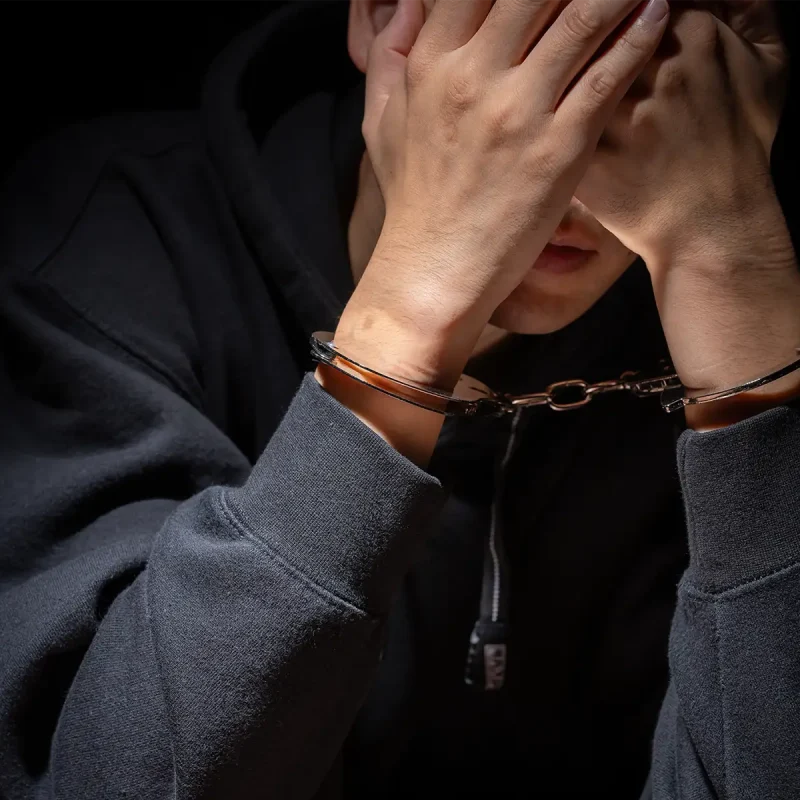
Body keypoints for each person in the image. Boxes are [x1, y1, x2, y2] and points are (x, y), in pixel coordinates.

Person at [1, 0, 799, 797]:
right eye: (530, 59)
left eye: (643, 80)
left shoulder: (751, 294)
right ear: (385, 15)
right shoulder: (93, 244)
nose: (568, 168)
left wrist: (733, 279)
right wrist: (414, 313)